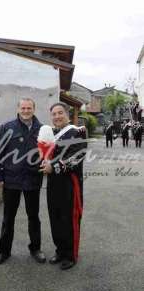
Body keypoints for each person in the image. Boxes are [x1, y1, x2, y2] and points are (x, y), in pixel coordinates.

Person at [0, 98, 46, 266]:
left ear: (34, 109)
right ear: (18, 109)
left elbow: (48, 151)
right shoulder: (7, 127)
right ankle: (4, 251)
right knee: (8, 217)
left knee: (34, 216)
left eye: (29, 108)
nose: (26, 111)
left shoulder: (42, 129)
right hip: (11, 179)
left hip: (32, 178)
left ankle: (35, 248)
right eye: (23, 108)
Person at [40, 103, 87, 270]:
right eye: (54, 114)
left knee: (69, 218)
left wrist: (53, 166)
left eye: (60, 113)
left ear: (67, 114)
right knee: (55, 217)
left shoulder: (77, 132)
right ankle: (60, 250)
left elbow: (76, 156)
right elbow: (45, 154)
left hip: (70, 184)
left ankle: (71, 255)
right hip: (53, 183)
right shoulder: (52, 133)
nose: (57, 116)